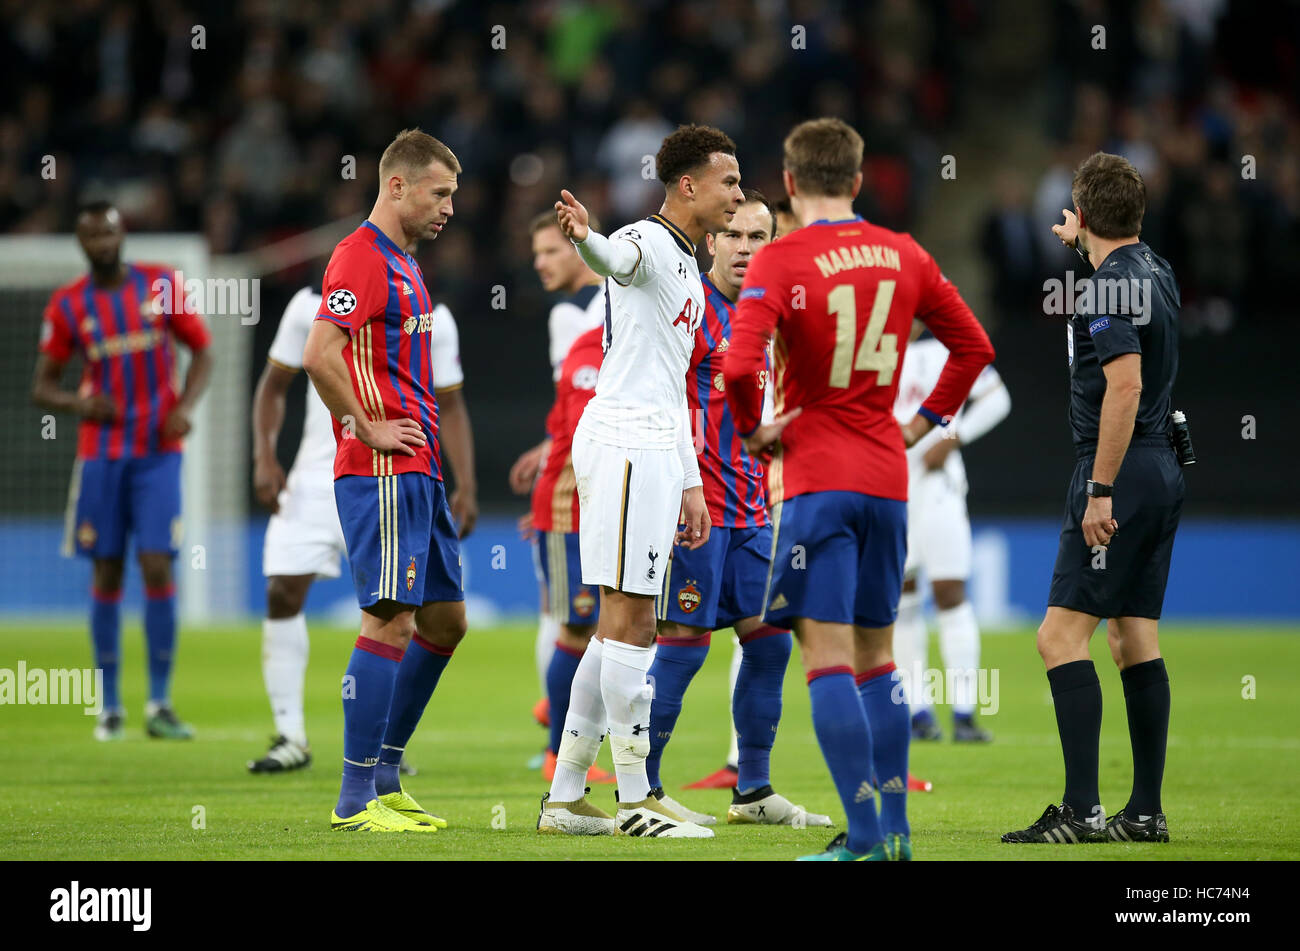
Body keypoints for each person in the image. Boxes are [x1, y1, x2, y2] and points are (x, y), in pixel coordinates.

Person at [725, 118, 995, 861]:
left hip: (816, 479)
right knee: (880, 659)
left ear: (789, 183)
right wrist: (923, 424)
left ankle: (867, 836)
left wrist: (754, 430)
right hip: (887, 477)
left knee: (827, 658)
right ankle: (896, 832)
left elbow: (738, 365)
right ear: (858, 179)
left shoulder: (781, 258)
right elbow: (974, 346)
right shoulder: (905, 253)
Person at [537, 124, 741, 838]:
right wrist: (585, 238)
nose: (737, 194)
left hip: (654, 445)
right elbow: (613, 257)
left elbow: (675, 385)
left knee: (622, 625)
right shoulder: (645, 241)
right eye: (728, 181)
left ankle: (566, 796)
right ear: (688, 185)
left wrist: (689, 481)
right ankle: (634, 800)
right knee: (632, 619)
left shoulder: (687, 264)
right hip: (624, 443)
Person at [1003, 152, 1183, 845]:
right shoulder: (1155, 271)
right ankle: (1145, 813)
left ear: (1080, 213)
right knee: (1133, 637)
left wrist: (1101, 488)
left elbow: (1125, 385)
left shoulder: (1106, 288)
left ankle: (1081, 809)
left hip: (1120, 471)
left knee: (1058, 637)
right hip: (1163, 466)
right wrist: (1086, 242)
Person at [643, 188, 829, 829]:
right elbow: (659, 399)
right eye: (734, 235)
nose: (745, 248)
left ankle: (753, 792)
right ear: (711, 241)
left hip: (754, 509)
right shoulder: (690, 307)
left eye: (758, 237)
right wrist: (678, 484)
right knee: (683, 644)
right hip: (695, 510)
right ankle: (643, 789)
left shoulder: (773, 315)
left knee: (770, 642)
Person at [302, 128, 466, 832]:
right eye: (440, 193)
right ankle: (353, 798)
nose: (450, 208)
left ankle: (386, 774)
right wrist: (365, 425)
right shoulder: (361, 256)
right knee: (391, 618)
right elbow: (319, 353)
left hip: (419, 467)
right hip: (383, 468)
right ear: (397, 186)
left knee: (445, 621)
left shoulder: (405, 263)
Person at [247, 284, 475, 772]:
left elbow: (451, 405)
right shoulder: (309, 305)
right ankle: (290, 736)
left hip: (391, 471)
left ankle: (381, 746)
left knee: (398, 612)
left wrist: (467, 484)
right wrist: (264, 455)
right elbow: (273, 386)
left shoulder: (433, 314)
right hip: (317, 475)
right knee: (282, 591)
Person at [33, 200, 213, 741]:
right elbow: (42, 386)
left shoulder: (160, 285)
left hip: (158, 453)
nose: (102, 243)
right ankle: (110, 706)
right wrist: (78, 403)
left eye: (109, 233)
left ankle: (159, 703)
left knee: (157, 565)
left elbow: (203, 352)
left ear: (122, 234)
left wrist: (184, 407)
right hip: (102, 455)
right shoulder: (68, 305)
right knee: (107, 571)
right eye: (92, 236)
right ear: (80, 242)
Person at [509, 212, 606, 741]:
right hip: (587, 478)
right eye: (536, 255)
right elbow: (577, 404)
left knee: (570, 614)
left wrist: (553, 462)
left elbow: (579, 407)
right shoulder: (600, 302)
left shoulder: (575, 314)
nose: (541, 264)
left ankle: (560, 714)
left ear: (578, 248)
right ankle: (562, 724)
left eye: (550, 251)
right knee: (583, 617)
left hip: (588, 477)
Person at [893, 322, 1011, 743]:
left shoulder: (943, 352)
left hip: (938, 489)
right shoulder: (872, 355)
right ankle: (917, 711)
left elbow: (998, 399)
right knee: (902, 597)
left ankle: (964, 713)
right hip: (891, 490)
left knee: (950, 591)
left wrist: (953, 437)